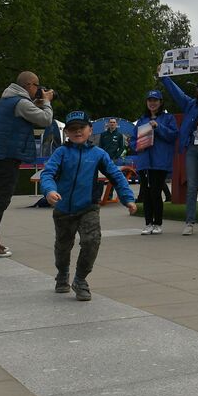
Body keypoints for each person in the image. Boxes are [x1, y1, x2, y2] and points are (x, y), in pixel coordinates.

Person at [40, 110, 137, 301]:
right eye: (72, 129)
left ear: (90, 130)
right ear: (66, 133)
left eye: (81, 128)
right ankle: (62, 274)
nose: (77, 132)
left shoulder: (98, 154)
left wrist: (128, 198)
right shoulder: (61, 152)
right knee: (63, 247)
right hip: (63, 209)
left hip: (88, 208)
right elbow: (47, 173)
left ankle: (80, 279)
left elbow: (116, 176)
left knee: (92, 241)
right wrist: (49, 191)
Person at [0, 71, 55, 257]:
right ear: (29, 85)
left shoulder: (7, 99)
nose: (39, 89)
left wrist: (36, 104)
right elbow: (46, 120)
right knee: (1, 199)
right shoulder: (21, 102)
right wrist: (46, 102)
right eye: (37, 85)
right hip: (7, 156)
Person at [160, 75, 198, 234]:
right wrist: (165, 78)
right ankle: (189, 222)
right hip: (192, 148)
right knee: (192, 185)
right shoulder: (191, 104)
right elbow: (177, 93)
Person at [135, 90, 178, 235]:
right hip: (144, 161)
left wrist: (158, 127)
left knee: (156, 192)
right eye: (150, 100)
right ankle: (148, 223)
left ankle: (158, 223)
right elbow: (134, 139)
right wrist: (135, 145)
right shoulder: (141, 120)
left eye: (155, 100)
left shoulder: (168, 118)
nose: (152, 103)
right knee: (146, 193)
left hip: (160, 161)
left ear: (160, 102)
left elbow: (173, 135)